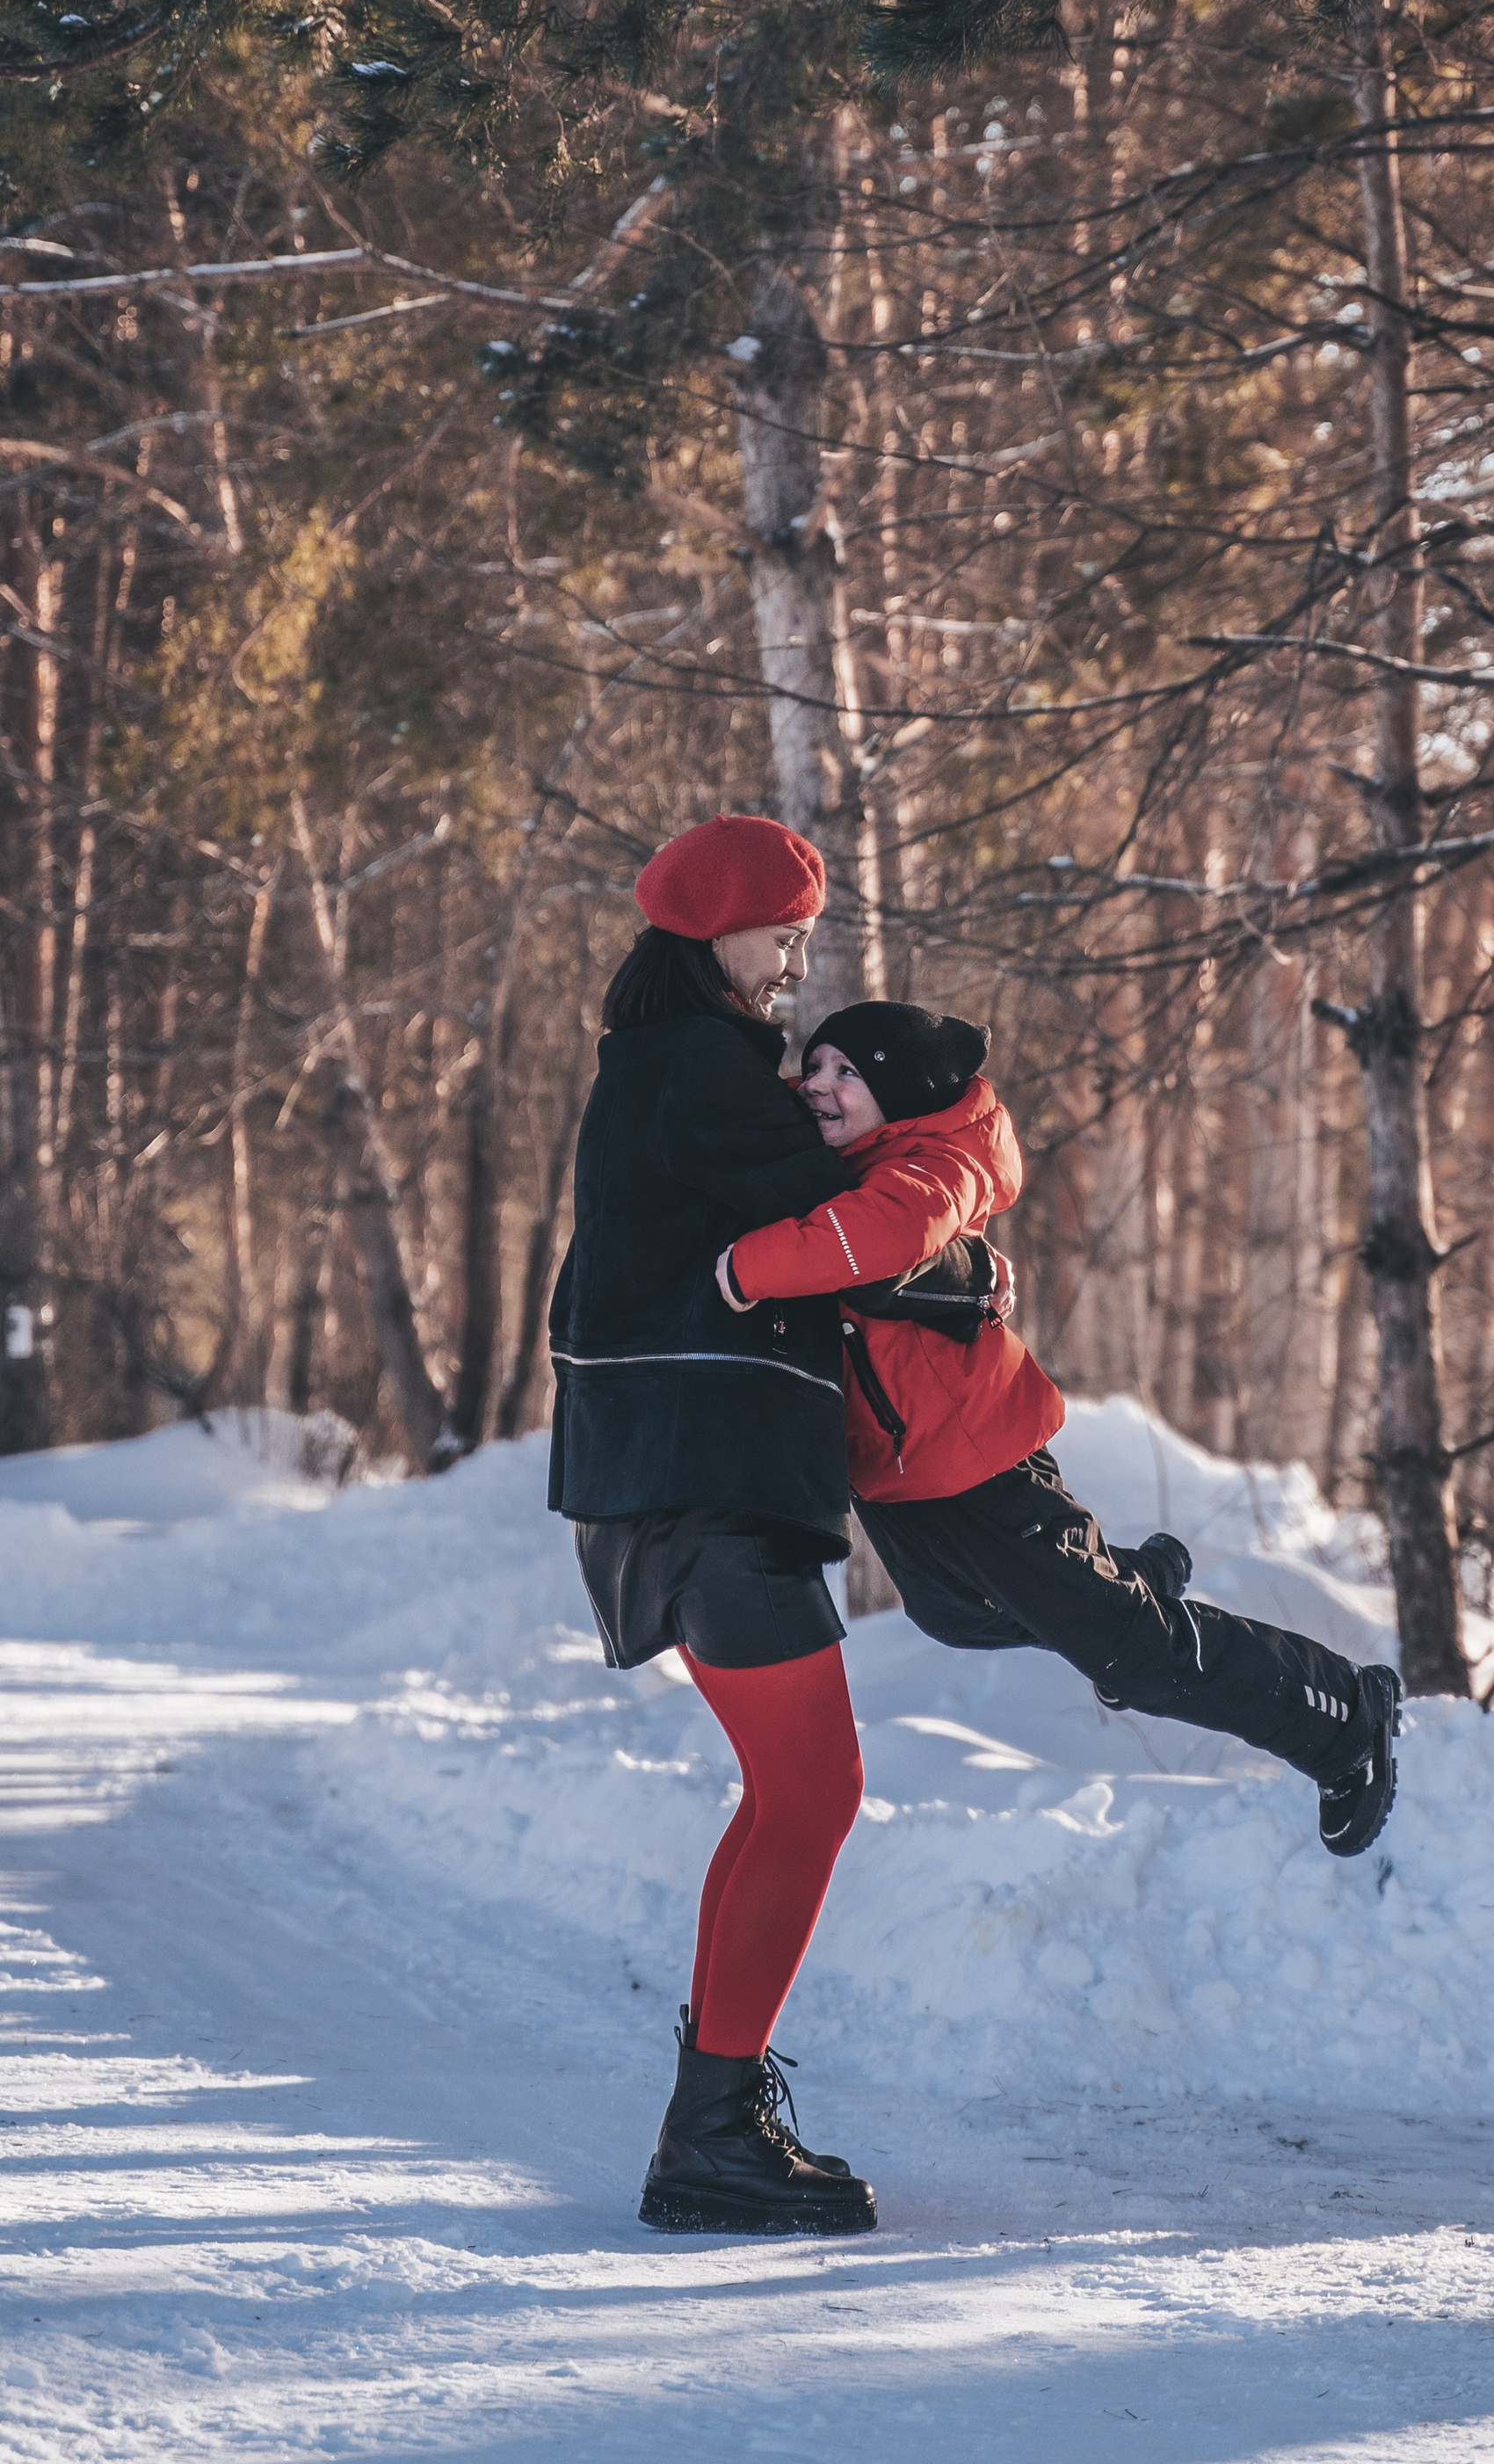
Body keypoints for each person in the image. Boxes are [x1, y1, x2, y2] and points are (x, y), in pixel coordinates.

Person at [548, 815, 984, 2241]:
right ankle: (714, 2132)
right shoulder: (702, 1071)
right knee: (811, 1791)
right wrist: (960, 1164)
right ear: (716, 931)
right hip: (699, 1481)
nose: (802, 952)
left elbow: (811, 1242)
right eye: (784, 928)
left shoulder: (681, 1069)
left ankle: (716, 2116)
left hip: (682, 1476)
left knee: (791, 1790)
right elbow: (848, 1214)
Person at [715, 999, 1403, 1858]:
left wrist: (744, 1268)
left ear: (900, 1091)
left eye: (846, 1072)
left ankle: (1340, 1717)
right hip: (902, 1475)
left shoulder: (934, 1163)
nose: (817, 1085)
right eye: (812, 1067)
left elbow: (890, 1233)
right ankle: (1130, 1583)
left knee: (1130, 1655)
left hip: (975, 1463)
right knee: (954, 1619)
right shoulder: (859, 1155)